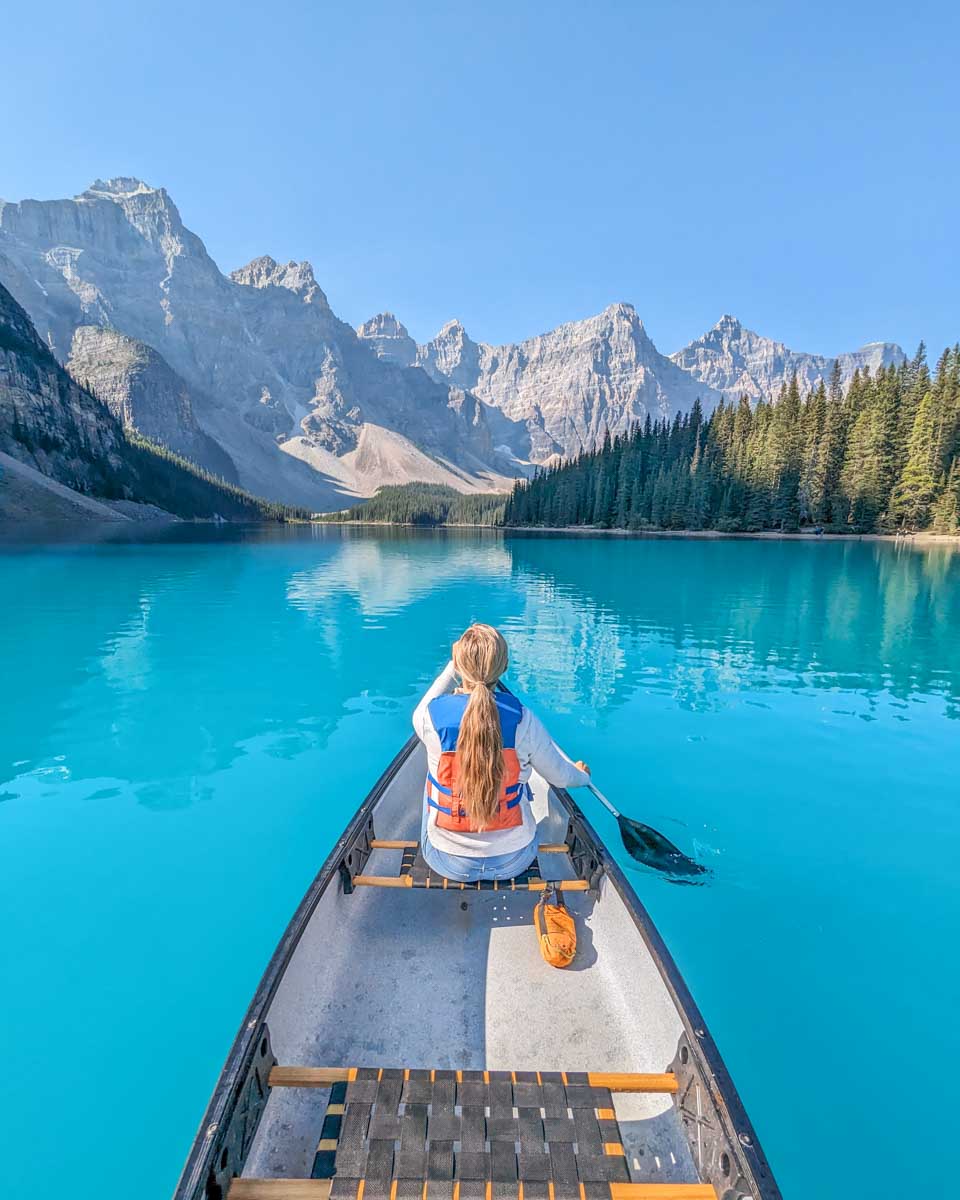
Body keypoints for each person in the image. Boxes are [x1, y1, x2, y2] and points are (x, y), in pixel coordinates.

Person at [412, 623, 591, 882]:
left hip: (447, 861)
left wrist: (454, 665)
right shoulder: (524, 722)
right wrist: (583, 776)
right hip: (515, 859)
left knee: (433, 779)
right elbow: (562, 778)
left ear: (458, 663)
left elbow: (428, 701)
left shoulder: (429, 718)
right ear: (504, 668)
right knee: (522, 778)